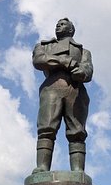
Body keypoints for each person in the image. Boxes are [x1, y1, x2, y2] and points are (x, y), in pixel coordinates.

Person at [32, 17, 93, 173]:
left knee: (77, 132)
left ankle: (78, 171)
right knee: (46, 128)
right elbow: (39, 60)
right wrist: (63, 61)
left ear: (71, 29)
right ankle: (42, 167)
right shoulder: (44, 46)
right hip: (52, 88)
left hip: (75, 90)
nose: (59, 26)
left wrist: (82, 72)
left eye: (63, 24)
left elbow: (88, 70)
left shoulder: (83, 52)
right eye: (57, 24)